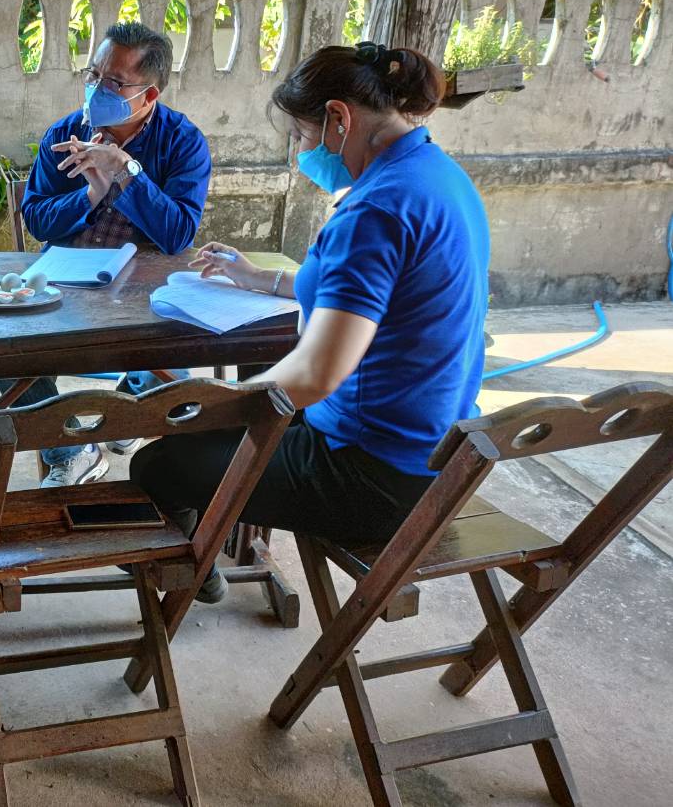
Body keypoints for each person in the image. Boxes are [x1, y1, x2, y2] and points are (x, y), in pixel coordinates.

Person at [131, 41, 490, 603]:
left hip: (375, 475)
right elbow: (360, 298)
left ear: (339, 119)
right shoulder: (438, 177)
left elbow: (316, 373)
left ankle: (187, 570)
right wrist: (261, 279)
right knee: (219, 425)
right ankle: (211, 544)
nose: (301, 151)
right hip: (439, 454)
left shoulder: (375, 210)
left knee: (159, 462)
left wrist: (211, 403)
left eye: (301, 135)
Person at [8, 20, 213, 487]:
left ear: (150, 96)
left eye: (115, 82)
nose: (98, 89)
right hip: (66, 283)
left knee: (180, 388)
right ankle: (71, 449)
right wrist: (89, 198)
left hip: (145, 290)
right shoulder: (65, 132)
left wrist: (127, 171)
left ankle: (132, 407)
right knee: (3, 348)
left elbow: (179, 233)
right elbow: (36, 217)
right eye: (94, 75)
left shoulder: (183, 142)